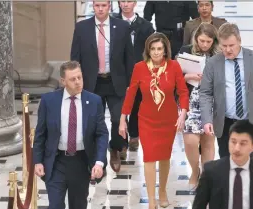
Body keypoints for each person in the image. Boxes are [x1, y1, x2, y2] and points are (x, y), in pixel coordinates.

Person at [119, 33, 189, 209]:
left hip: (168, 119)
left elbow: (182, 91)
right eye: (153, 49)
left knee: (165, 157)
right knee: (149, 157)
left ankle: (163, 192)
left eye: (160, 49)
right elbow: (131, 94)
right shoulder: (139, 68)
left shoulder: (174, 67)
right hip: (147, 120)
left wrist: (183, 113)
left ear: (165, 50)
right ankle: (151, 199)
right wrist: (123, 118)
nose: (156, 52)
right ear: (147, 50)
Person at [33, 61, 109, 209]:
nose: (78, 82)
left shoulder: (94, 101)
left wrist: (99, 162)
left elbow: (102, 134)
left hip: (81, 162)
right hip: (56, 162)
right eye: (72, 79)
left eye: (79, 77)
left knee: (78, 205)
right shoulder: (49, 101)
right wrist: (38, 161)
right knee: (55, 205)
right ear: (63, 81)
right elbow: (40, 134)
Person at [70, 1, 134, 172]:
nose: (100, 9)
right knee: (94, 121)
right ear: (93, 6)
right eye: (97, 5)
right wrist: (75, 82)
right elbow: (75, 58)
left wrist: (130, 84)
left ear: (110, 6)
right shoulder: (82, 27)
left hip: (116, 82)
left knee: (117, 119)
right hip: (92, 83)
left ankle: (114, 149)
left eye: (104, 5)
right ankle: (98, 159)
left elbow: (129, 58)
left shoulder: (121, 26)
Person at [199, 23, 253, 158]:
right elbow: (205, 93)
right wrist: (207, 120)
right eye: (224, 46)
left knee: (245, 160)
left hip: (249, 120)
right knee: (226, 161)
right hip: (224, 121)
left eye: (231, 45)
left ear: (239, 41)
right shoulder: (213, 63)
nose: (228, 50)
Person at [192, 120, 253, 209]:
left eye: (243, 143)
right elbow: (198, 206)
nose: (237, 148)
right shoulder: (211, 171)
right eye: (233, 142)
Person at [178, 23, 219, 190]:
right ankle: (195, 171)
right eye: (202, 41)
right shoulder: (185, 50)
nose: (205, 45)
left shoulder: (218, 55)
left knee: (208, 140)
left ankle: (206, 177)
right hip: (190, 100)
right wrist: (189, 75)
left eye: (209, 41)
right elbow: (174, 76)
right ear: (196, 38)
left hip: (211, 100)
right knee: (190, 140)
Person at [113, 0, 155, 156]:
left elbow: (152, 49)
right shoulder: (113, 23)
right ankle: (121, 142)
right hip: (118, 71)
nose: (125, 4)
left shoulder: (145, 26)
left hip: (139, 71)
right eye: (122, 1)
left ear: (135, 3)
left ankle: (134, 135)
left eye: (129, 1)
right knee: (120, 105)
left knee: (137, 105)